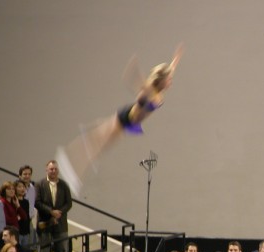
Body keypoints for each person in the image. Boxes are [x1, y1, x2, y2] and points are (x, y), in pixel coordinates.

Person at [55, 46, 183, 196]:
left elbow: (169, 70)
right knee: (96, 145)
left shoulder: (157, 90)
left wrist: (175, 59)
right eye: (169, 80)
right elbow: (139, 82)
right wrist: (136, 70)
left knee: (99, 146)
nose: (171, 83)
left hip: (130, 122)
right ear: (161, 81)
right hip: (126, 118)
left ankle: (80, 153)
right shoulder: (151, 92)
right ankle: (69, 164)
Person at [35, 160, 73, 252]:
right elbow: (37, 203)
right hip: (44, 223)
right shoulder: (39, 184)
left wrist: (58, 214)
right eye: (51, 169)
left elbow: (69, 203)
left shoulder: (64, 185)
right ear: (46, 170)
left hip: (60, 224)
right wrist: (51, 212)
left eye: (56, 169)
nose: (53, 171)